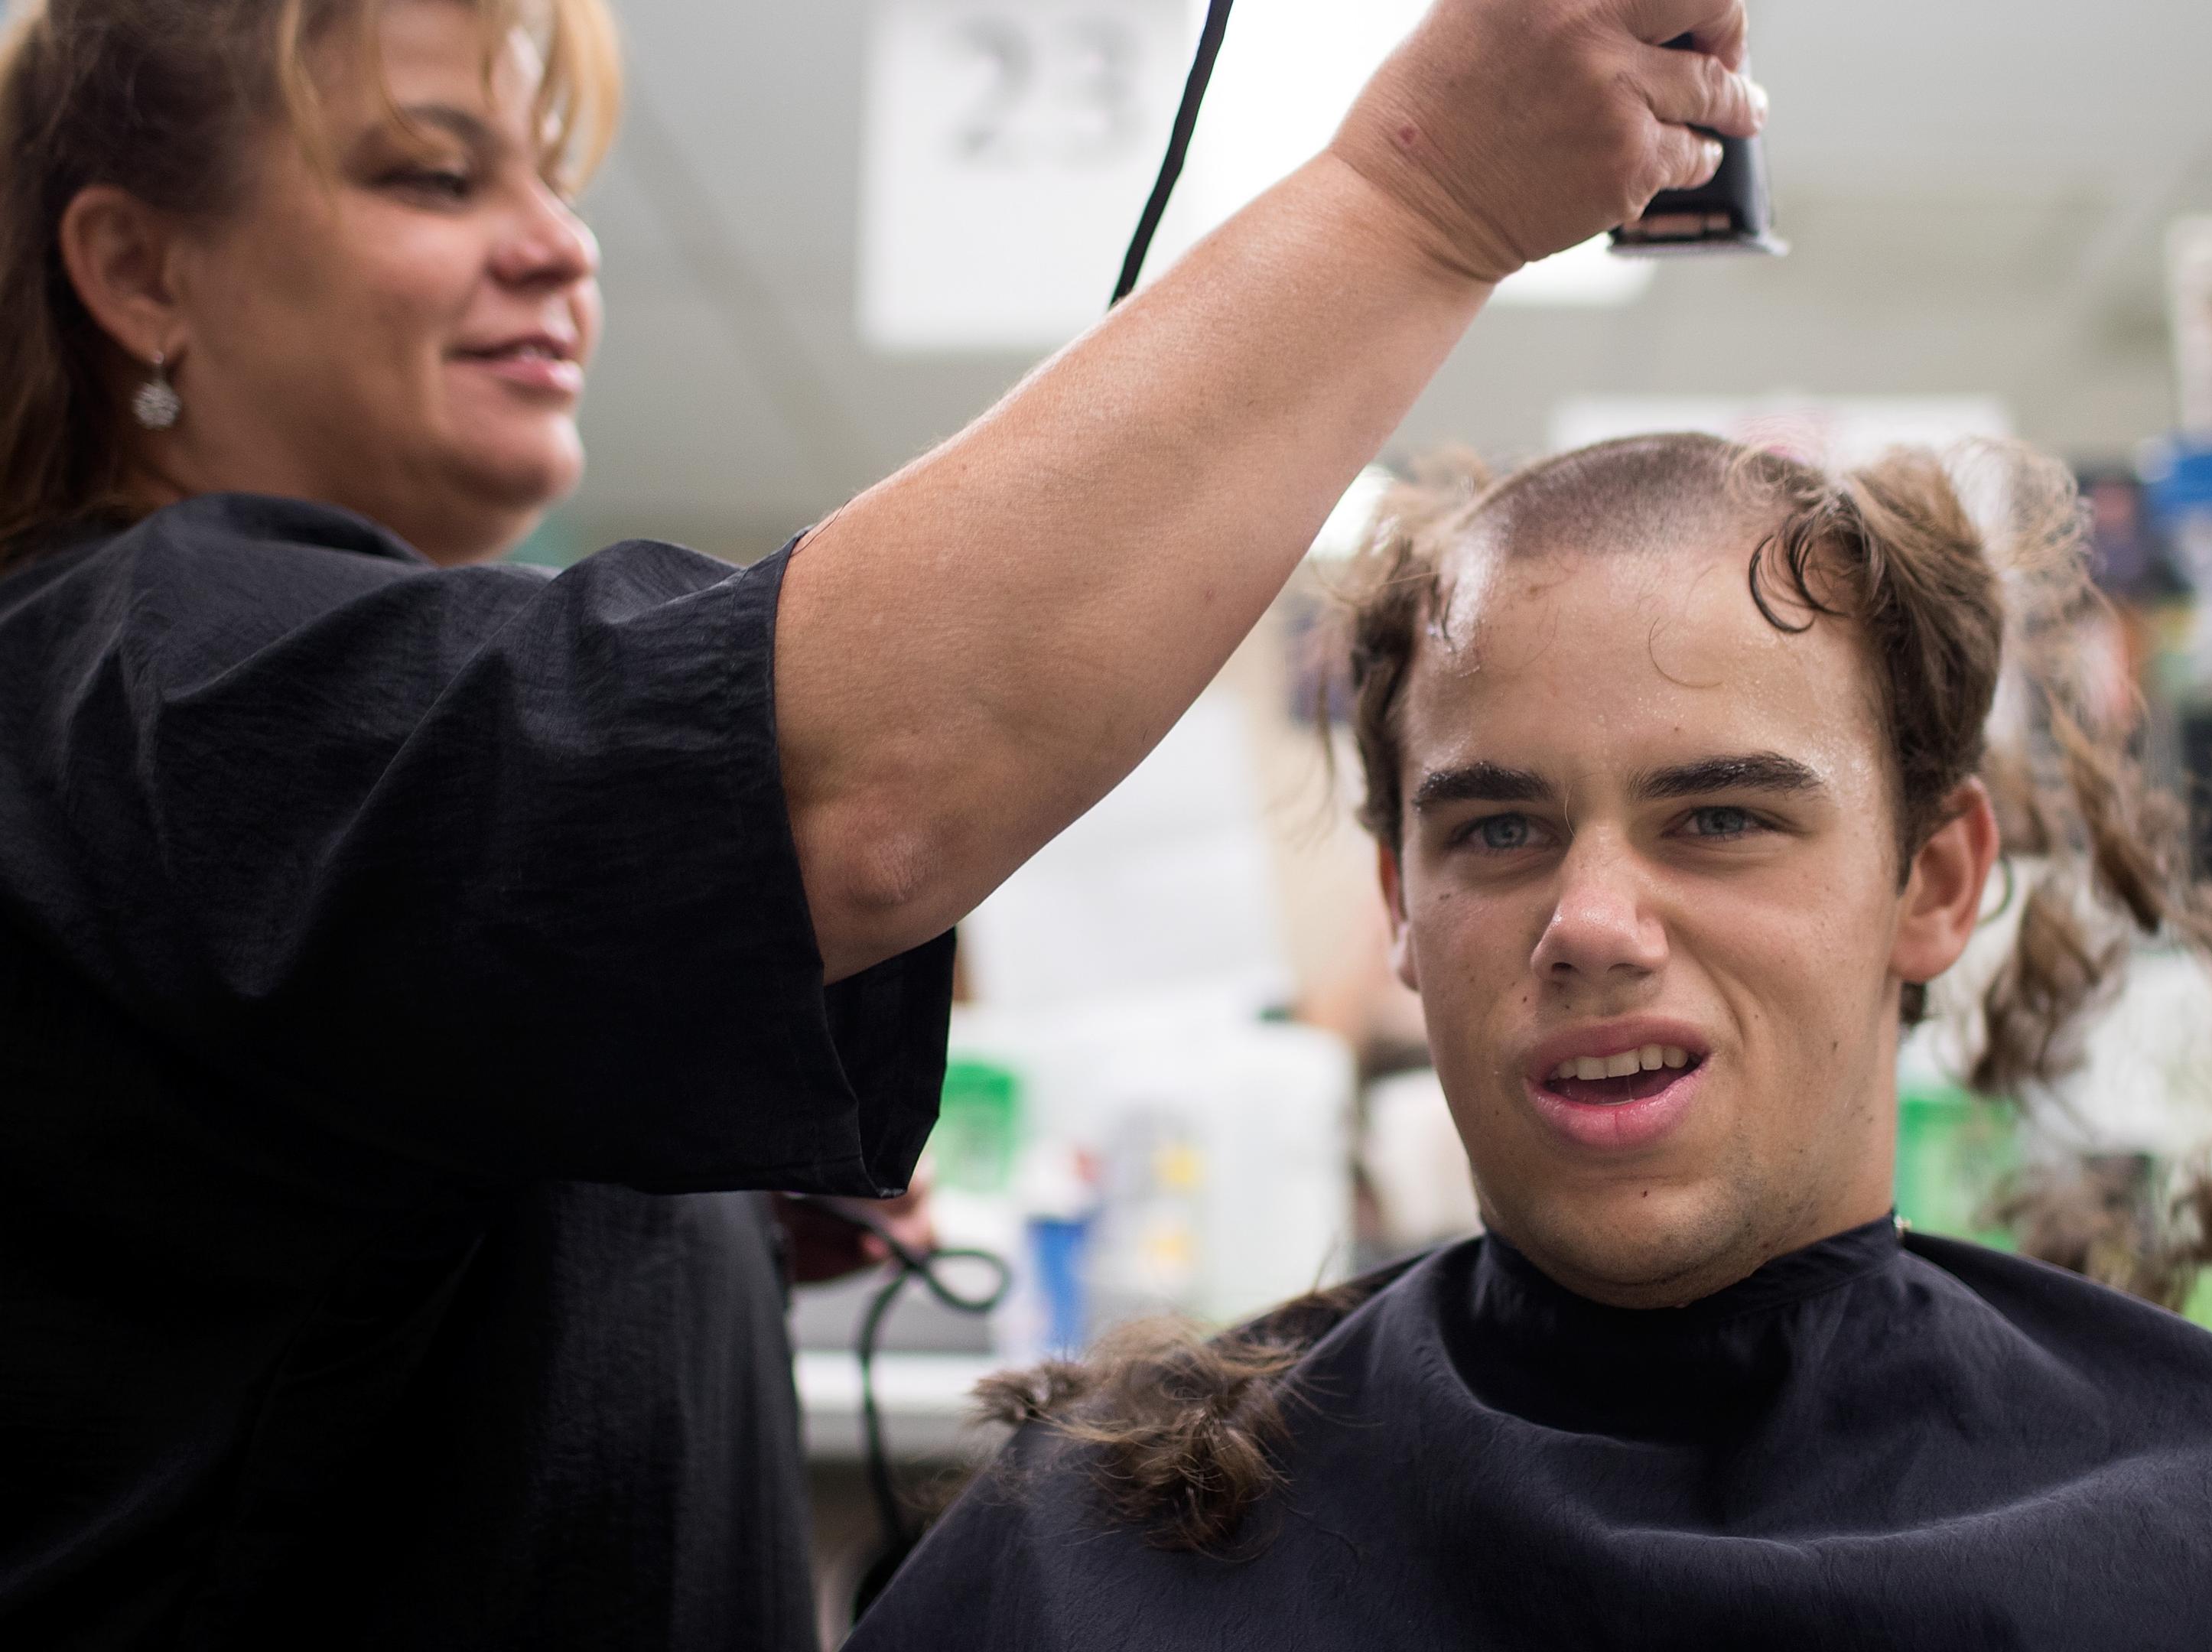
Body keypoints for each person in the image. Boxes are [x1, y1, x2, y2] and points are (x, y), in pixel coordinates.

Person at [0, 0, 1765, 1645]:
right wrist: (1432, 193)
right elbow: (863, 790)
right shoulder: (156, 674)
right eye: (432, 175)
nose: (558, 245)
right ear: (137, 269)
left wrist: (665, 1216)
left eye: (557, 181)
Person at [847, 434, 2212, 1650]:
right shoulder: (1095, 1557)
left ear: (1931, 881)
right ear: (1399, 899)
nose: (1593, 923)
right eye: (1498, 832)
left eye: (1719, 820)